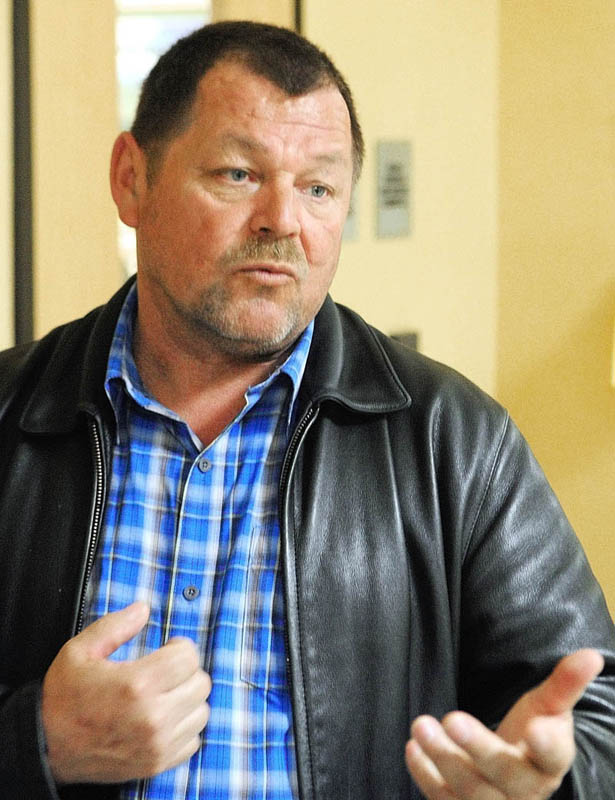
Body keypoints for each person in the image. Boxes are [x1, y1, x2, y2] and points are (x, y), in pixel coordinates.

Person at [0, 19, 613, 800]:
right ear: (132, 179)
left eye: (318, 188)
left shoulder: (451, 441)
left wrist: (550, 781)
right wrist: (35, 742)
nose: (282, 221)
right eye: (236, 174)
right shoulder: (12, 415)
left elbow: (592, 709)